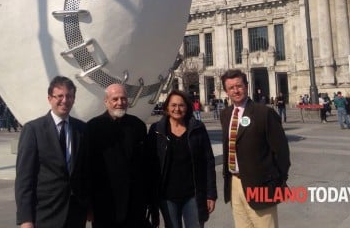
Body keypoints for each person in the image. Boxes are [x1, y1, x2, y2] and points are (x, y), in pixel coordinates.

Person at [15, 76, 90, 228]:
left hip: (75, 214)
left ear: (74, 99)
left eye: (69, 96)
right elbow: (24, 179)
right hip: (45, 214)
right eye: (60, 96)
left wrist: (89, 206)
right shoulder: (33, 130)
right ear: (49, 98)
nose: (65, 100)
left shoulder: (81, 129)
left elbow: (86, 173)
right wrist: (25, 219)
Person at [220, 69, 290, 228]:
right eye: (231, 88)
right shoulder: (226, 114)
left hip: (261, 184)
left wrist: (277, 181)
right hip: (235, 183)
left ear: (246, 86)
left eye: (239, 86)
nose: (236, 91)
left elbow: (281, 152)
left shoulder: (264, 113)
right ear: (226, 91)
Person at [146, 90, 217, 228]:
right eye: (173, 105)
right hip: (167, 196)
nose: (177, 109)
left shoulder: (197, 128)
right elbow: (150, 165)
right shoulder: (156, 130)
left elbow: (208, 162)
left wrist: (211, 194)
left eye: (181, 105)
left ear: (187, 107)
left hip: (193, 194)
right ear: (167, 107)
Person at [87, 83, 148, 228]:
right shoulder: (93, 127)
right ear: (106, 101)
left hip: (133, 203)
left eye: (123, 98)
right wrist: (89, 205)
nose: (120, 103)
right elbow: (88, 168)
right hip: (104, 203)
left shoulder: (138, 125)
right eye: (115, 99)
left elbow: (145, 165)